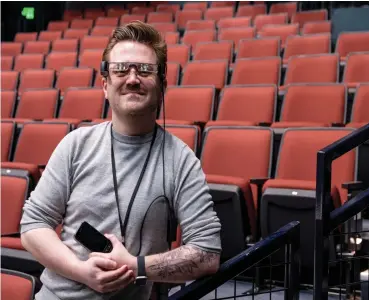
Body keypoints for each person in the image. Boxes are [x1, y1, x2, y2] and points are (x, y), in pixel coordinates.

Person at [20, 21, 222, 300]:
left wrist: (136, 266)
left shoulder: (181, 160)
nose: (132, 78)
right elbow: (33, 225)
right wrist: (81, 271)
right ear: (105, 85)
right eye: (120, 69)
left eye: (145, 69)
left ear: (162, 85)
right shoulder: (75, 145)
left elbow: (207, 253)